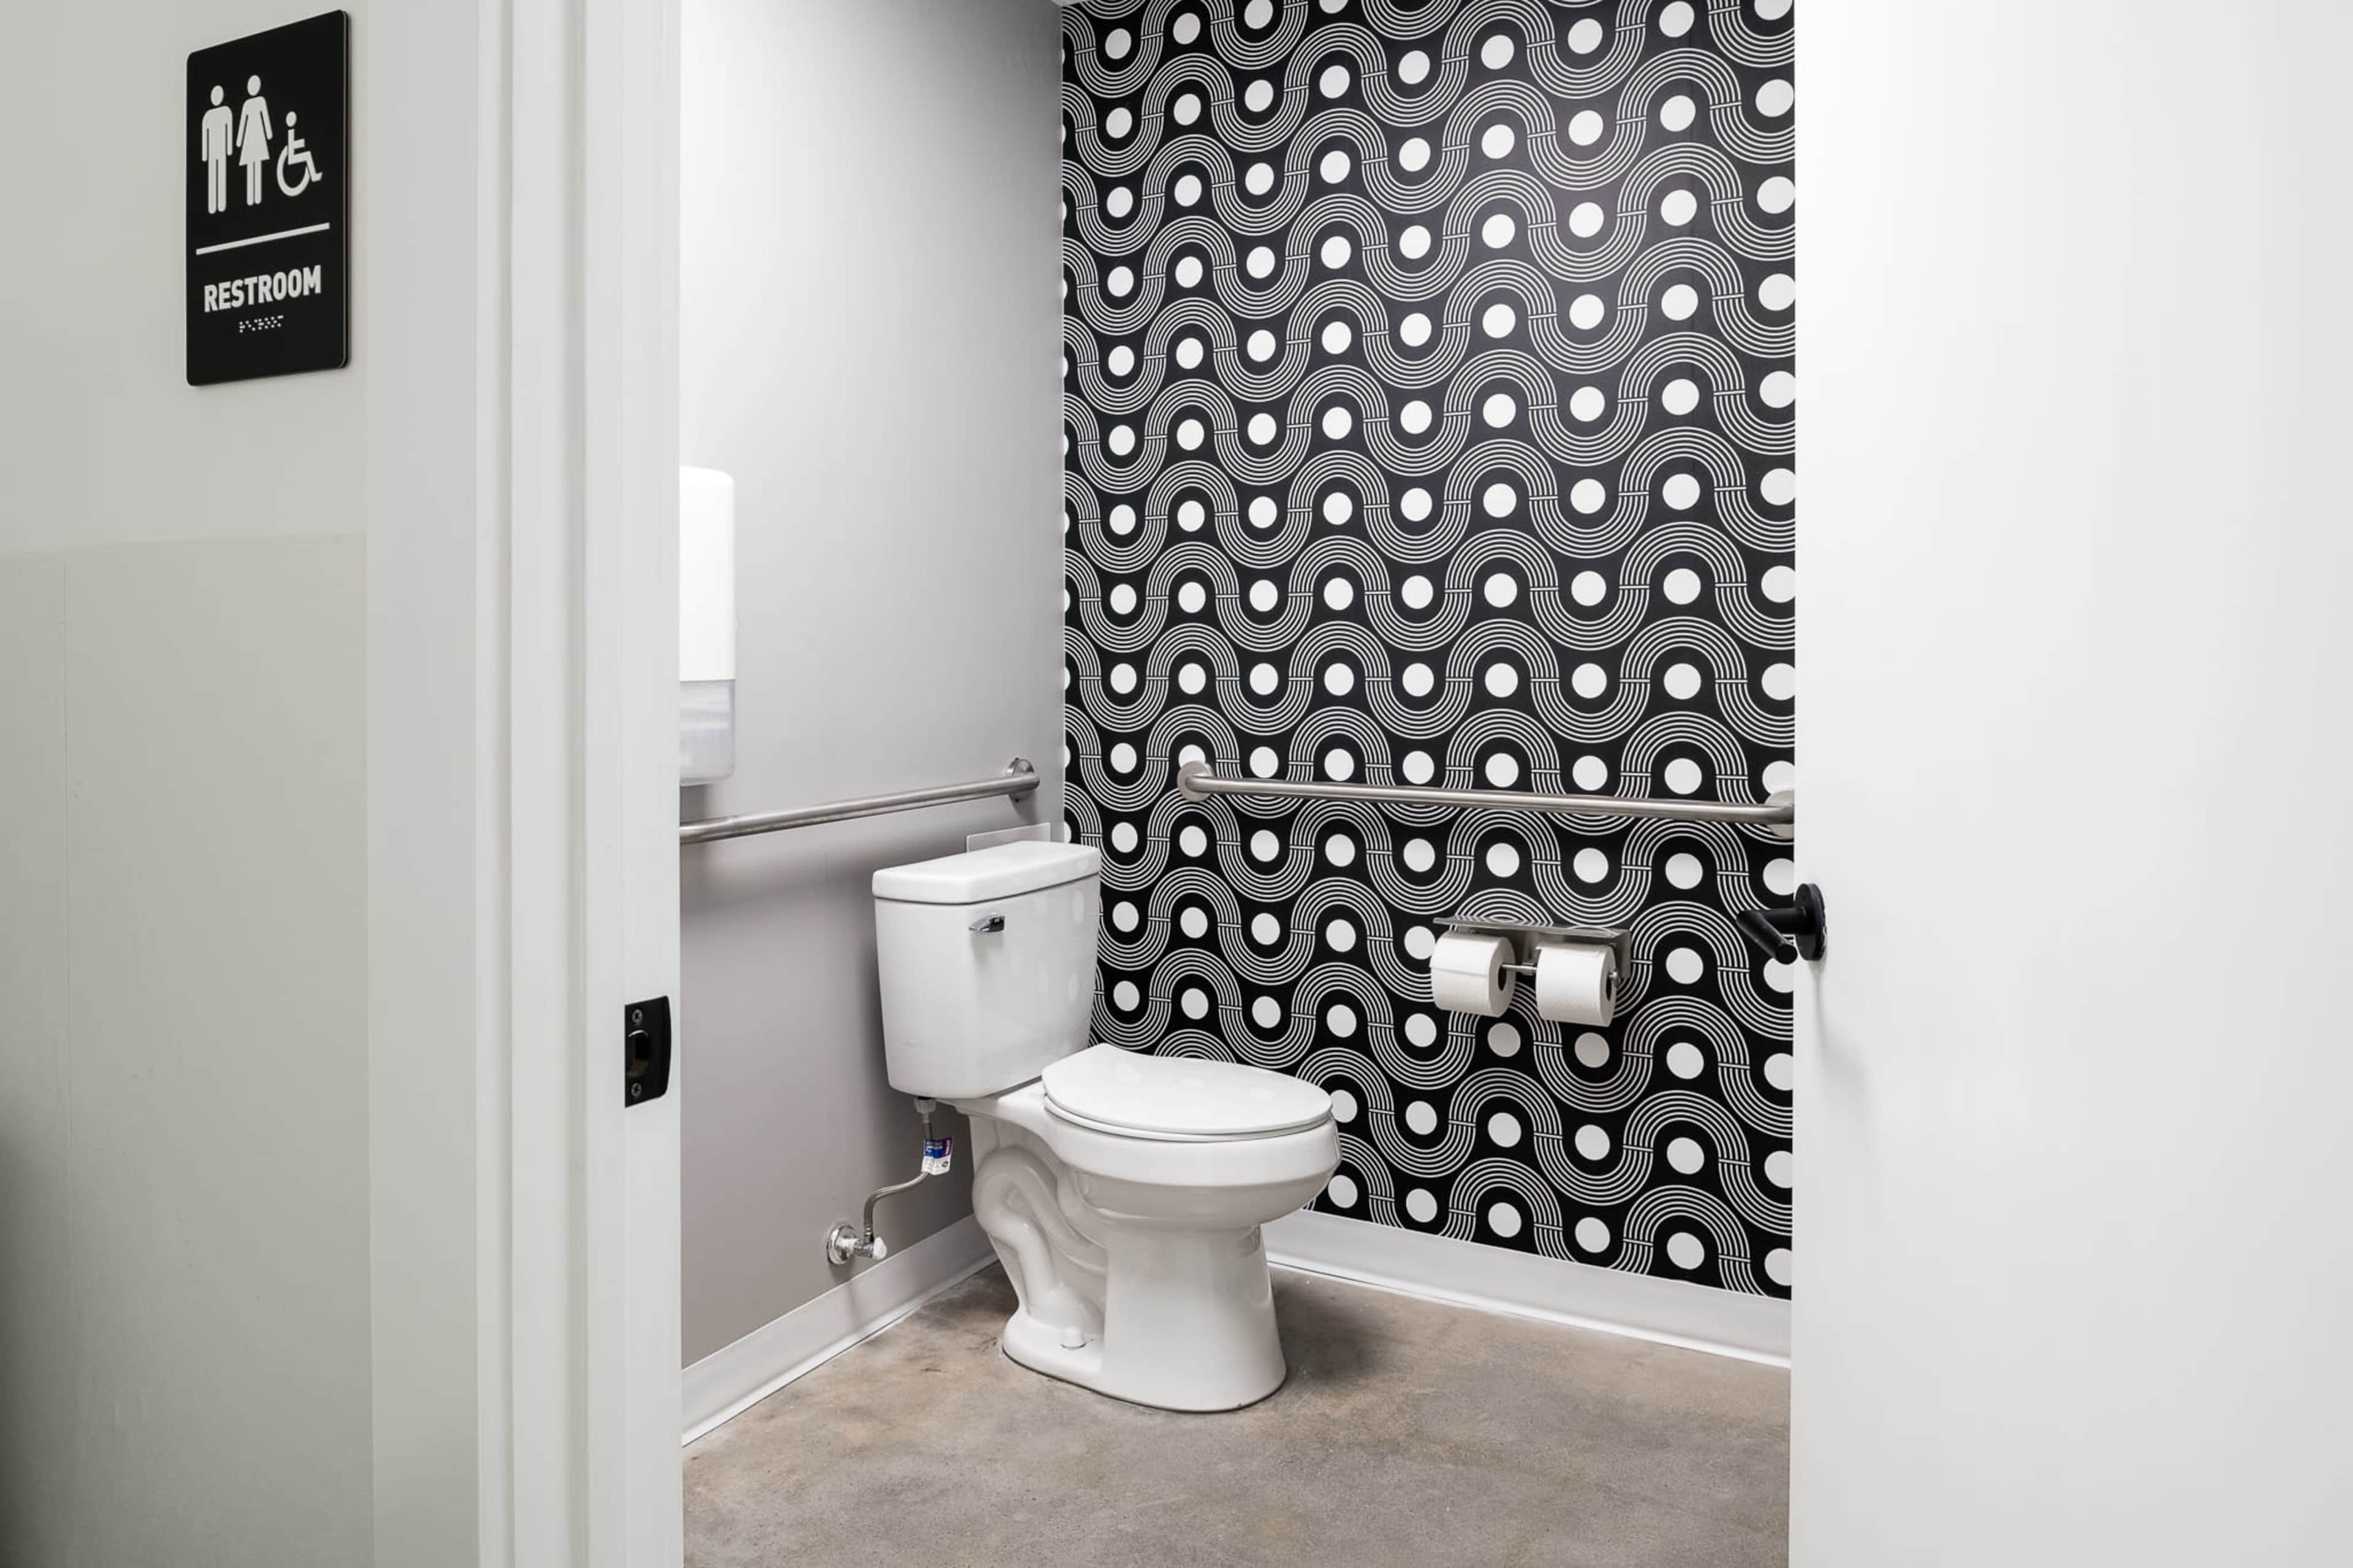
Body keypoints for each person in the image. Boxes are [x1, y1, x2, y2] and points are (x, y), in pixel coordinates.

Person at [236, 75, 271, 206]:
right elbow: (243, 123)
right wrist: (239, 141)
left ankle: (257, 197)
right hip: (250, 140)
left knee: (257, 166)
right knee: (251, 167)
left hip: (258, 137)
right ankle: (251, 198)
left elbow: (265, 119)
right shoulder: (247, 104)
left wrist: (269, 134)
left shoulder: (261, 102)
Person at [199, 85, 232, 214]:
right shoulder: (208, 116)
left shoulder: (226, 112)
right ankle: (213, 205)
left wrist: (229, 149)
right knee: (213, 176)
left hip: (221, 150)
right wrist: (205, 155)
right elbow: (205, 135)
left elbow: (229, 132)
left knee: (221, 174)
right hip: (213, 151)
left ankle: (221, 204)